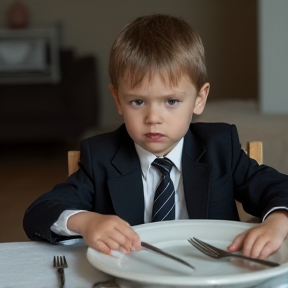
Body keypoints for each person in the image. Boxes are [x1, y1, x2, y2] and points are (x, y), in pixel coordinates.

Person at [23, 14, 288, 259]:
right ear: (118, 99)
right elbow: (39, 212)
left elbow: (278, 188)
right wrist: (87, 222)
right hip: (133, 276)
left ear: (199, 99)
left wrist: (277, 221)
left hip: (212, 273)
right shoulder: (101, 157)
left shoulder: (220, 147)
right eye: (137, 102)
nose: (153, 118)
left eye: (171, 101)